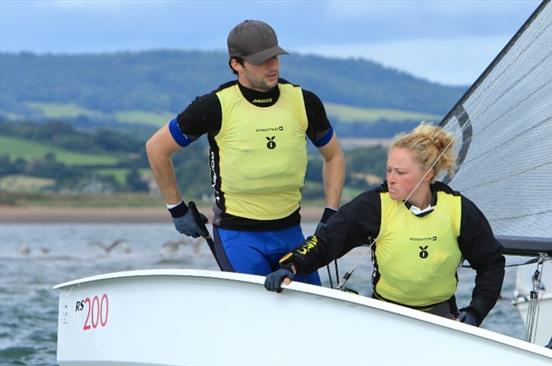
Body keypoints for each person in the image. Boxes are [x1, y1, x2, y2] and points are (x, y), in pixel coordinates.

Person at [145, 19, 345, 282]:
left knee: (311, 313)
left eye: (275, 57)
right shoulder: (214, 106)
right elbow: (157, 148)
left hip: (290, 232)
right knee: (254, 314)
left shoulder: (304, 102)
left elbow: (334, 156)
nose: (272, 66)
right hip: (238, 236)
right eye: (262, 61)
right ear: (236, 64)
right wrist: (177, 209)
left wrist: (331, 212)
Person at [263, 123, 505, 327]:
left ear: (428, 173)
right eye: (389, 170)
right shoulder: (375, 204)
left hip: (442, 318)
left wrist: (475, 311)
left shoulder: (458, 209)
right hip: (386, 315)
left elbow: (491, 262)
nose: (391, 178)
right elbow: (327, 239)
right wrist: (292, 265)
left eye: (400, 172)